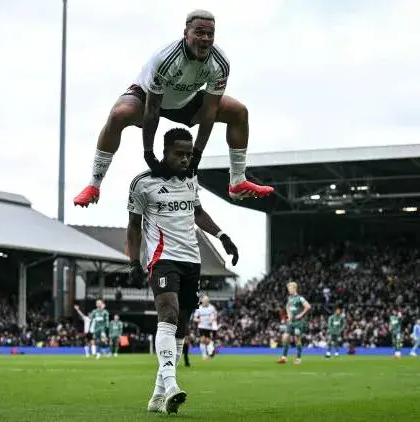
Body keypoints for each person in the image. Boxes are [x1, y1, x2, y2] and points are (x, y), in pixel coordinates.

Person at [74, 9, 274, 208]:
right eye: (199, 33)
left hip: (184, 101)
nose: (205, 39)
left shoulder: (219, 63)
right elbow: (152, 110)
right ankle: (94, 184)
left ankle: (237, 181)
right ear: (186, 34)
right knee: (119, 114)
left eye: (210, 34)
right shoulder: (166, 59)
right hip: (147, 98)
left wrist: (197, 155)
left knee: (238, 111)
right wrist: (149, 154)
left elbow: (209, 111)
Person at [126, 127, 239, 414]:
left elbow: (198, 213)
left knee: (182, 327)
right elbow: (133, 226)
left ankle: (157, 395)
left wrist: (223, 235)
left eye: (189, 154)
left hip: (192, 260)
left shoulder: (191, 180)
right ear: (164, 152)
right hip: (163, 259)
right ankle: (172, 385)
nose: (186, 159)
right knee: (169, 314)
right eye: (179, 154)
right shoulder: (143, 183)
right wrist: (133, 262)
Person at [277, 281, 311, 365]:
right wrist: (289, 316)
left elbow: (308, 306)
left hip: (298, 322)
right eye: (288, 289)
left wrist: (301, 314)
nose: (289, 290)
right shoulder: (290, 298)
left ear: (294, 288)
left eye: (290, 288)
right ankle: (284, 357)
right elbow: (287, 306)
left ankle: (298, 358)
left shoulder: (300, 298)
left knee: (297, 339)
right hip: (291, 322)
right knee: (285, 337)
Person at [194, 295, 218, 359]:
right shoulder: (199, 308)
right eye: (205, 300)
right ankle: (204, 355)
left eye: (207, 300)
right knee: (202, 339)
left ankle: (211, 352)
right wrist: (198, 320)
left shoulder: (212, 307)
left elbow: (215, 315)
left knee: (207, 341)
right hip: (201, 326)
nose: (206, 301)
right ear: (202, 301)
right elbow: (195, 318)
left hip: (208, 327)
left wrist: (212, 319)